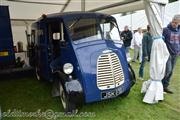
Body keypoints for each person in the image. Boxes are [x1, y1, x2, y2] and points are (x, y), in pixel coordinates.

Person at [162, 14, 180, 94]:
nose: (174, 24)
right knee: (167, 70)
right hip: (167, 54)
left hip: (176, 54)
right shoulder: (166, 30)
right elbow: (162, 42)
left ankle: (165, 86)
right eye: (173, 22)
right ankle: (160, 85)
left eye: (176, 23)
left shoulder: (179, 30)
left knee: (171, 71)